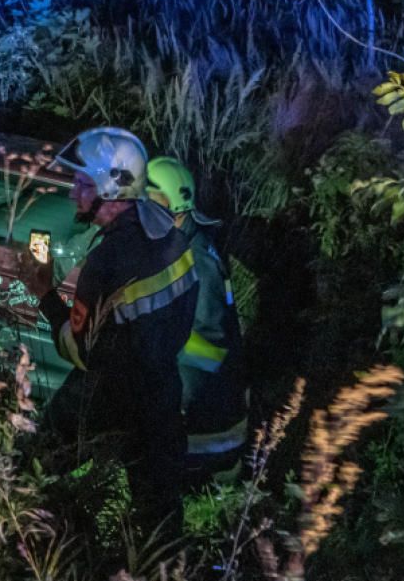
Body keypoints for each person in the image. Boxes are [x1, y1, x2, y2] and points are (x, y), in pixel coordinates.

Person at [20, 127, 199, 533]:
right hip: (161, 391)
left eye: (82, 184)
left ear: (110, 191)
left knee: (30, 470)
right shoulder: (169, 231)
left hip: (106, 393)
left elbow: (81, 351)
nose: (72, 194)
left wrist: (45, 293)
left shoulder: (107, 263)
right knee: (160, 518)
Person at [145, 157, 248, 482]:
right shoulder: (184, 246)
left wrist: (172, 397)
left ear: (171, 205)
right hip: (204, 418)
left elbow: (208, 343)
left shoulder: (198, 259)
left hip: (209, 430)